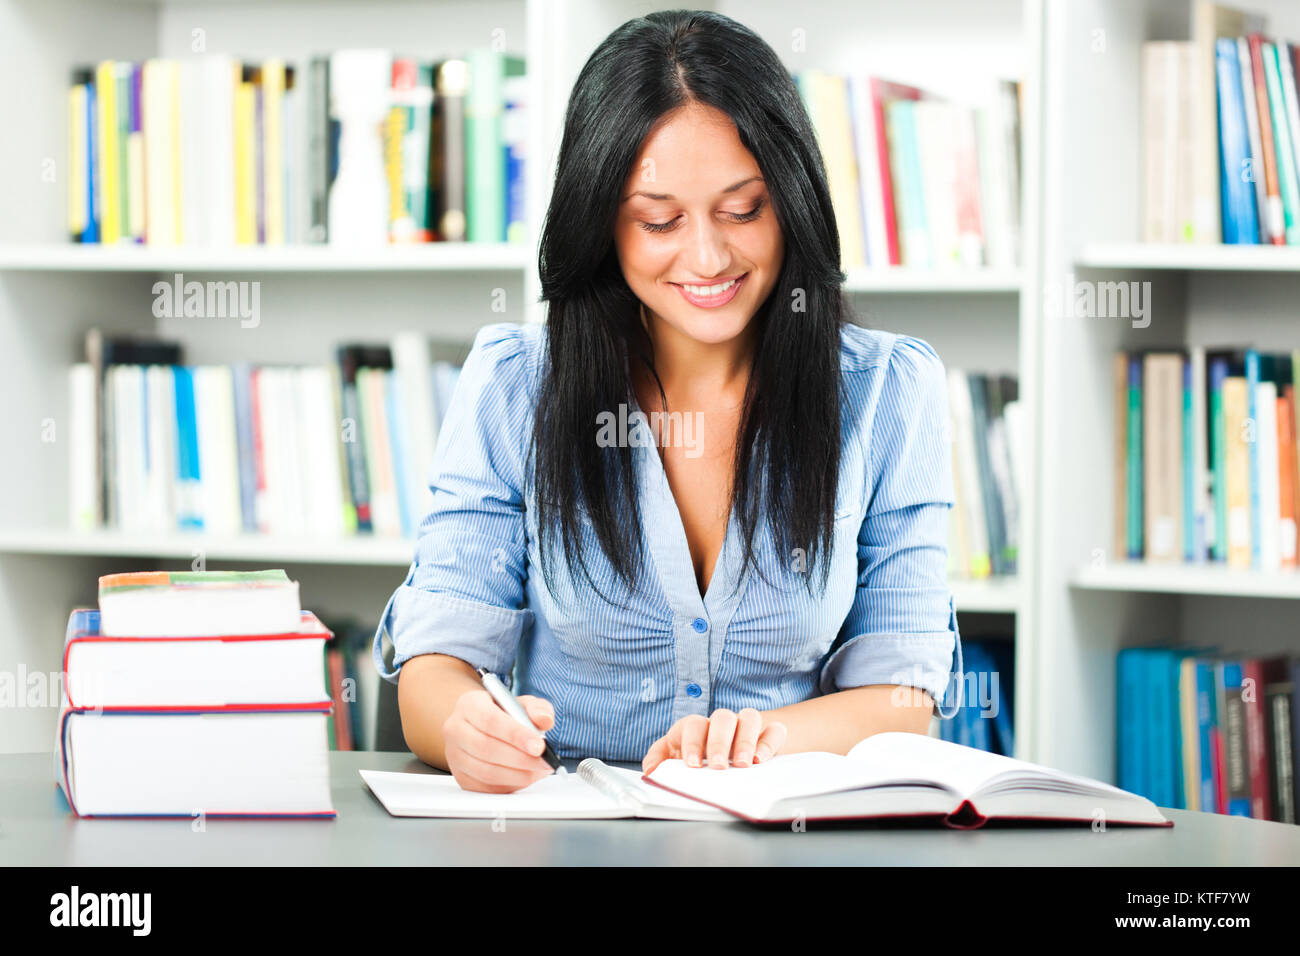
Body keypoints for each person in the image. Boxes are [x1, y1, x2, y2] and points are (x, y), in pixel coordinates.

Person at [372, 9, 963, 794]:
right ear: (602, 223)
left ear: (793, 200)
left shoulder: (889, 391)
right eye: (659, 220)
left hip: (784, 833)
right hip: (566, 837)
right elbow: (434, 665)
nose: (710, 256)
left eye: (744, 209)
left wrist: (761, 741)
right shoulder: (515, 384)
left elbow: (903, 695)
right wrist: (461, 725)